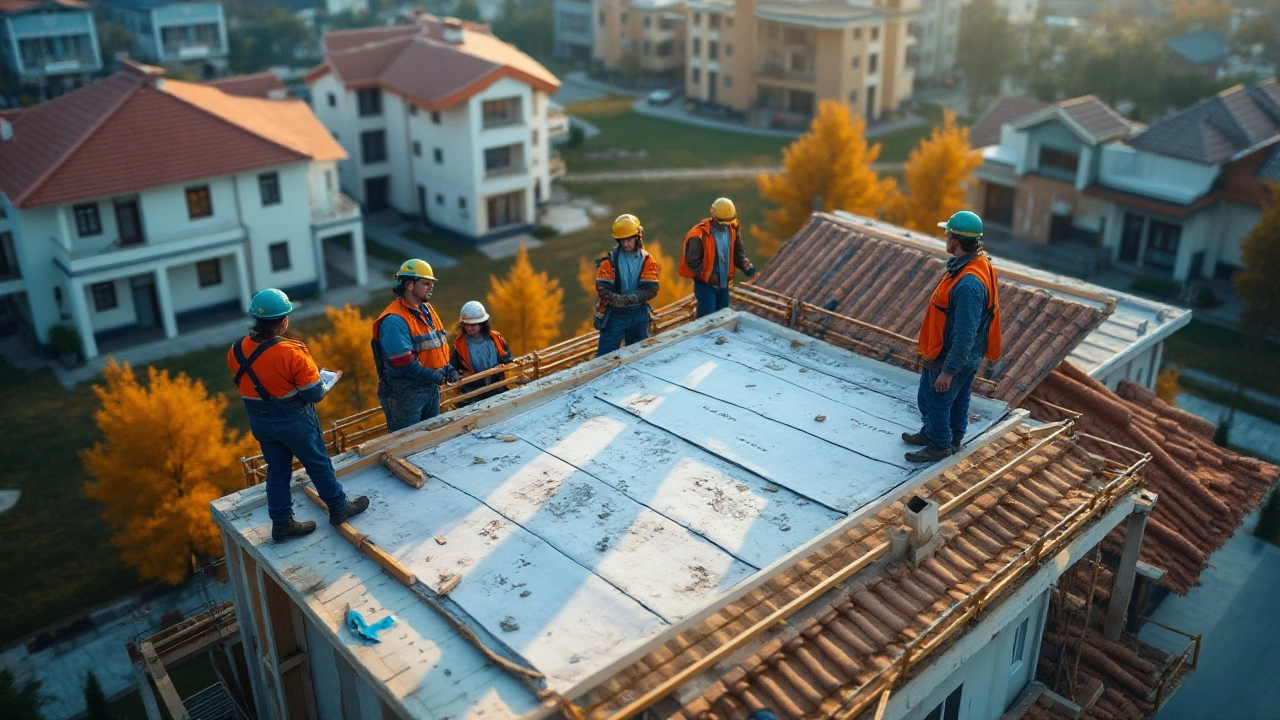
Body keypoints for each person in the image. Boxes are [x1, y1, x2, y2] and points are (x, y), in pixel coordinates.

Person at [228, 289, 368, 541]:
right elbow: (315, 394)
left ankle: (282, 523)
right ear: (283, 321)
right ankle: (338, 507)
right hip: (294, 421)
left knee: (278, 471)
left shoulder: (236, 350)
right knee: (318, 463)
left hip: (260, 421)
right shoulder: (293, 352)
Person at [903, 211, 1003, 463]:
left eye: (947, 234)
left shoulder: (969, 284)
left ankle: (939, 444)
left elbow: (965, 333)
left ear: (956, 240)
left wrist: (948, 371)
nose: (945, 238)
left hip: (951, 356)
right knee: (958, 399)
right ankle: (950, 436)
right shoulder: (978, 265)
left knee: (933, 400)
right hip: (966, 356)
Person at [371, 259, 461, 432]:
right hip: (405, 395)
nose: (431, 287)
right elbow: (404, 364)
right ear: (410, 285)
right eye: (426, 283)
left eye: (431, 283)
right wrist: (434, 375)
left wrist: (447, 368)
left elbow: (437, 346)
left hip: (429, 387)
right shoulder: (394, 321)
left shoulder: (426, 310)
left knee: (430, 438)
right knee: (406, 443)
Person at [595, 213, 661, 357]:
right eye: (622, 240)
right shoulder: (609, 262)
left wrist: (631, 298)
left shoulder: (648, 261)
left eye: (629, 239)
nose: (626, 244)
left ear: (638, 237)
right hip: (615, 314)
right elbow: (602, 287)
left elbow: (651, 288)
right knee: (604, 356)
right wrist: (615, 299)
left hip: (639, 313)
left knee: (638, 355)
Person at [680, 197, 757, 318]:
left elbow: (738, 252)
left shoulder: (733, 229)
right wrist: (707, 276)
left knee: (723, 317)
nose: (725, 225)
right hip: (706, 286)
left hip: (724, 285)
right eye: (722, 222)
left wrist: (745, 264)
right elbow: (692, 262)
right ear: (713, 215)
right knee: (707, 318)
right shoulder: (698, 234)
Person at [450, 300, 515, 404]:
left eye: (473, 325)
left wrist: (501, 367)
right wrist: (462, 375)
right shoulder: (458, 345)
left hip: (497, 387)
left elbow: (509, 360)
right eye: (466, 325)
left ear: (482, 324)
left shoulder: (495, 338)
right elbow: (453, 368)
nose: (469, 328)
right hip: (473, 394)